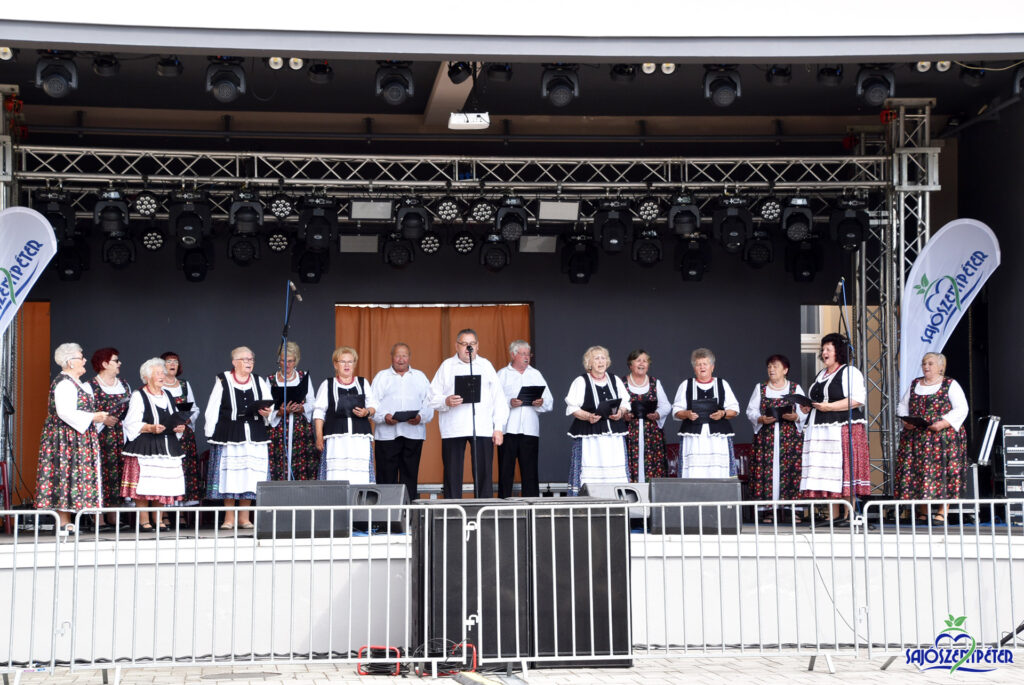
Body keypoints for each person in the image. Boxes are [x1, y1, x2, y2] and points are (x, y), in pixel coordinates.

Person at [34, 343, 109, 534]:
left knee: (73, 475)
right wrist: (93, 416)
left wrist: (96, 418)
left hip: (78, 437)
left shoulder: (79, 384)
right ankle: (62, 521)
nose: (84, 360)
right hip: (65, 439)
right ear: (70, 362)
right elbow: (65, 412)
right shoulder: (64, 383)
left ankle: (68, 520)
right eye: (80, 357)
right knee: (64, 474)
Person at [204, 346, 278, 529]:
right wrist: (210, 433)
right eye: (245, 359)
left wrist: (267, 412)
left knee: (249, 475)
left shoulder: (258, 381)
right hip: (229, 432)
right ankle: (229, 518)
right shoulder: (223, 380)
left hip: (254, 433)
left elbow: (270, 406)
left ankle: (244, 518)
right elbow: (213, 408)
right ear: (234, 362)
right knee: (230, 476)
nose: (249, 363)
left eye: (251, 359)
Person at [799, 333, 871, 522]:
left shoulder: (849, 372)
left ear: (838, 351)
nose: (824, 353)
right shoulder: (821, 375)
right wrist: (808, 406)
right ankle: (834, 515)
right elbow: (819, 400)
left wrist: (829, 407)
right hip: (821, 428)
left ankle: (850, 514)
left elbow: (857, 399)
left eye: (828, 349)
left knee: (844, 469)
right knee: (828, 471)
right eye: (823, 349)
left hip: (842, 428)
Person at [429, 329, 508, 499]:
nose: (468, 348)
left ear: (478, 346)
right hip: (453, 428)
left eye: (472, 344)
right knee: (452, 474)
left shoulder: (486, 366)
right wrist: (446, 401)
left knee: (484, 473)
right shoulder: (447, 366)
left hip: (482, 426)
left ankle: (484, 509)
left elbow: (499, 399)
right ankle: (452, 510)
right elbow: (431, 397)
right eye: (464, 344)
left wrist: (498, 427)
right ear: (456, 346)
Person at [894, 352, 968, 523]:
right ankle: (923, 511)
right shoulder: (915, 384)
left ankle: (942, 512)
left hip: (942, 439)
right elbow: (902, 406)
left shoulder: (950, 384)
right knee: (918, 472)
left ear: (941, 367)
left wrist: (943, 423)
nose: (926, 366)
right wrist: (906, 420)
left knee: (944, 473)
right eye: (924, 363)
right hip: (916, 438)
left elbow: (961, 408)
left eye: (930, 363)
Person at [120, 358, 187, 530]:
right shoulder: (139, 395)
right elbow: (130, 422)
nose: (162, 376)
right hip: (146, 445)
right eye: (158, 373)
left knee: (162, 483)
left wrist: (178, 427)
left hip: (167, 445)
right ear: (147, 376)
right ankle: (144, 520)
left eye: (163, 373)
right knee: (144, 484)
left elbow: (173, 417)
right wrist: (150, 427)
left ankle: (158, 519)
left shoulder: (168, 395)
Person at [745, 354, 806, 521]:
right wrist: (760, 419)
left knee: (791, 471)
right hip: (767, 439)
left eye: (775, 366)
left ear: (785, 370)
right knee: (767, 471)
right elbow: (751, 411)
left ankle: (793, 510)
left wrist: (797, 417)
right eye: (769, 367)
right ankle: (768, 510)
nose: (771, 370)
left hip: (790, 439)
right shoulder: (761, 388)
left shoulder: (795, 388)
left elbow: (805, 410)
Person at [371, 343, 434, 501]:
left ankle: (408, 512)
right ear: (391, 357)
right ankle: (386, 513)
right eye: (398, 355)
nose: (401, 359)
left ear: (409, 357)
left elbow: (429, 403)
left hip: (413, 434)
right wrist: (384, 416)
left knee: (410, 476)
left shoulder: (420, 377)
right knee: (386, 477)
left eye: (404, 355)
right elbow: (371, 404)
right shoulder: (382, 377)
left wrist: (420, 417)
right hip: (386, 436)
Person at [566, 345, 629, 496]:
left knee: (615, 469)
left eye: (603, 358)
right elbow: (573, 408)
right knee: (590, 469)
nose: (601, 361)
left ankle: (615, 501)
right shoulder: (581, 381)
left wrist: (620, 412)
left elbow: (626, 403)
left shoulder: (615, 380)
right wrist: (588, 416)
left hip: (613, 437)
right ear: (589, 363)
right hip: (591, 438)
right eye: (596, 358)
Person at [496, 340, 554, 498]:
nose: (527, 357)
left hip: (530, 430)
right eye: (523, 354)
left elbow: (549, 401)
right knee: (505, 471)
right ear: (513, 355)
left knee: (530, 473)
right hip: (508, 430)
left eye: (529, 354)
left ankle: (531, 507)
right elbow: (492, 401)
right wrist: (509, 402)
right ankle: (503, 504)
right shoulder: (502, 374)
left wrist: (540, 402)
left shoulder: (535, 374)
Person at [672, 348, 740, 479]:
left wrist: (723, 413)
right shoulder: (686, 385)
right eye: (698, 364)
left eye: (705, 364)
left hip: (717, 439)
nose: (702, 367)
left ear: (712, 367)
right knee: (693, 473)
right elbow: (676, 411)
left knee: (718, 472)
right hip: (693, 439)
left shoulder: (722, 384)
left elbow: (734, 409)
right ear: (694, 368)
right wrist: (686, 414)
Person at [313, 347, 378, 483]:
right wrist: (319, 437)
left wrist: (367, 412)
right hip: (336, 439)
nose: (347, 365)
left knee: (359, 476)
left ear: (354, 364)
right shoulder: (328, 384)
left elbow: (373, 406)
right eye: (343, 362)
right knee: (336, 475)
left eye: (350, 362)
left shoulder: (363, 383)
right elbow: (319, 412)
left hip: (359, 439)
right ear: (335, 365)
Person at [90, 347, 131, 530]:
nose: (119, 363)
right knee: (99, 474)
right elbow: (84, 412)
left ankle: (114, 516)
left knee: (117, 474)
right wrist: (103, 419)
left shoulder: (124, 384)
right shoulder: (90, 386)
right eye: (115, 360)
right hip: (99, 436)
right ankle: (98, 518)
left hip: (120, 435)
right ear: (105, 363)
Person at [268, 342, 319, 481]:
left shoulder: (303, 377)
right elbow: (267, 407)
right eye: (283, 361)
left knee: (301, 469)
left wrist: (301, 408)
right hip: (278, 431)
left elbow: (312, 402)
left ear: (296, 361)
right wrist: (279, 412)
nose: (287, 365)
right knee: (279, 466)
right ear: (279, 361)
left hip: (300, 430)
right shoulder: (271, 380)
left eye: (291, 361)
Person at [621, 349, 671, 483]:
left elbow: (666, 405)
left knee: (653, 464)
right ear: (630, 364)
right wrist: (623, 415)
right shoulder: (621, 383)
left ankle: (651, 494)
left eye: (645, 361)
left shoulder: (654, 382)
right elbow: (615, 405)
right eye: (638, 360)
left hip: (651, 433)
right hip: (629, 432)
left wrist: (657, 414)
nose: (642, 363)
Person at [160, 352, 203, 505]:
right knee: (167, 470)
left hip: (184, 435)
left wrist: (188, 418)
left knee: (185, 467)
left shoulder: (184, 385)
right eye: (169, 361)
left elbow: (195, 408)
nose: (172, 364)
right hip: (166, 434)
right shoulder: (158, 385)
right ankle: (166, 510)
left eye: (175, 362)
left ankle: (183, 508)